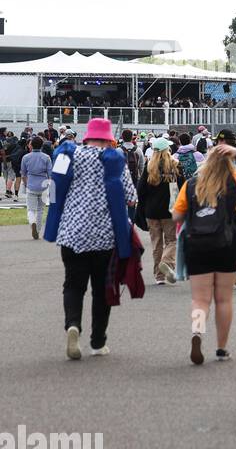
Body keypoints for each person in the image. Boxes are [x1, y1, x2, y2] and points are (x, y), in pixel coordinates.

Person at [45, 117, 137, 359]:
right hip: (105, 235)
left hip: (72, 232)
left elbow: (54, 188)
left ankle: (73, 325)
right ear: (109, 139)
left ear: (87, 137)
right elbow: (130, 196)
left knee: (73, 285)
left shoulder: (70, 156)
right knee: (101, 290)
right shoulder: (114, 160)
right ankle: (98, 342)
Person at [172, 143, 236, 364]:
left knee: (200, 299)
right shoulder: (233, 181)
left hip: (197, 245)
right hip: (225, 243)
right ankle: (221, 348)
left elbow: (176, 215)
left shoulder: (192, 185)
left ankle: (197, 331)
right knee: (223, 299)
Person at [135, 137, 179, 285]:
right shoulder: (174, 166)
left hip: (151, 212)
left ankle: (159, 276)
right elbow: (183, 187)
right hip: (169, 210)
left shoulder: (149, 167)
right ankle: (166, 262)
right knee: (172, 240)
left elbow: (140, 191)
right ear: (167, 150)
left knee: (156, 243)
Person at [19, 135, 52, 239]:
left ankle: (32, 222)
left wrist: (26, 184)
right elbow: (50, 174)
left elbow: (23, 174)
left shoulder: (26, 157)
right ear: (42, 145)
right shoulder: (46, 157)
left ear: (31, 145)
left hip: (31, 185)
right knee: (41, 210)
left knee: (31, 209)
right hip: (43, 185)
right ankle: (37, 229)